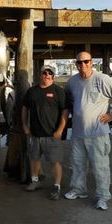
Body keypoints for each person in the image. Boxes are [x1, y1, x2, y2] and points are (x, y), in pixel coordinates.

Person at [64, 51, 112, 210]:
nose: (83, 65)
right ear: (76, 64)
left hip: (98, 134)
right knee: (78, 165)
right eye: (79, 63)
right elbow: (68, 98)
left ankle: (103, 197)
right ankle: (78, 190)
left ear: (91, 62)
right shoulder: (72, 81)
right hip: (78, 133)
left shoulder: (101, 79)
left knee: (100, 167)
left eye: (86, 61)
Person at [21, 65, 68, 200]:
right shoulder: (32, 91)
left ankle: (57, 186)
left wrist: (60, 130)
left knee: (55, 161)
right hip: (34, 134)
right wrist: (25, 125)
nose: (46, 75)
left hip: (52, 135)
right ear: (39, 74)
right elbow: (25, 108)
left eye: (49, 73)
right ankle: (35, 181)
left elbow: (65, 111)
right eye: (44, 73)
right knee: (34, 158)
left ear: (53, 76)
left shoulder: (58, 91)